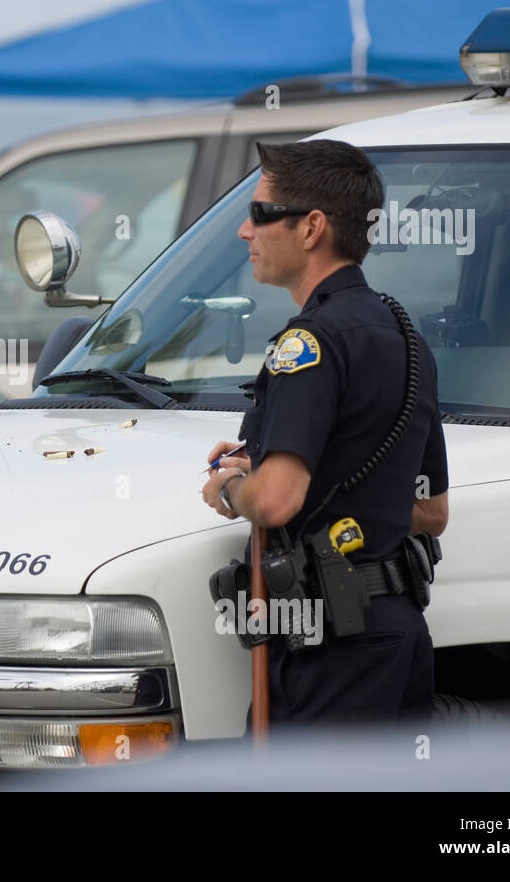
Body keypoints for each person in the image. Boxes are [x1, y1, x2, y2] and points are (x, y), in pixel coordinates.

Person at [200, 139, 449, 730]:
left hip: (328, 649)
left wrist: (231, 488)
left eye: (260, 214)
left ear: (312, 228)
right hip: (398, 636)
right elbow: (430, 512)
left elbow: (274, 502)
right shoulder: (407, 338)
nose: (244, 231)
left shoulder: (305, 344)